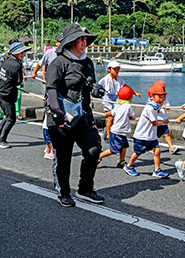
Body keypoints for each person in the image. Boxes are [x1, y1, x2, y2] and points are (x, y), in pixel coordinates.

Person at [45, 23, 103, 207]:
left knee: (93, 150)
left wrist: (96, 90)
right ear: (70, 42)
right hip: (62, 117)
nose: (84, 41)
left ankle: (85, 189)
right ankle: (63, 191)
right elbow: (51, 89)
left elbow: (90, 86)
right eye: (80, 38)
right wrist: (57, 111)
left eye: (85, 38)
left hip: (84, 115)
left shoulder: (88, 63)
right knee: (63, 157)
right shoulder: (58, 63)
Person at [123, 81, 170, 178]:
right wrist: (164, 122)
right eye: (159, 96)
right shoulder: (150, 108)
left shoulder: (156, 106)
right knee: (138, 153)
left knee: (157, 151)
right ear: (152, 96)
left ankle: (157, 170)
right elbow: (155, 123)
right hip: (142, 135)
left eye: (163, 96)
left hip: (151, 135)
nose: (162, 98)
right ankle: (129, 166)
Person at [0, 42, 30, 148]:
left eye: (23, 52)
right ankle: (1, 140)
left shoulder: (6, 61)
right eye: (20, 52)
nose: (23, 54)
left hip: (1, 93)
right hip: (5, 96)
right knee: (11, 119)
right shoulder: (17, 65)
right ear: (14, 53)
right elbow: (18, 82)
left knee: (9, 116)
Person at [98, 85, 135, 168]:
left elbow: (112, 112)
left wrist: (106, 114)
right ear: (130, 97)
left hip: (117, 131)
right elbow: (131, 116)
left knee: (124, 146)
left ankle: (122, 161)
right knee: (114, 150)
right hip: (118, 132)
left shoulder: (119, 104)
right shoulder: (128, 106)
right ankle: (99, 156)